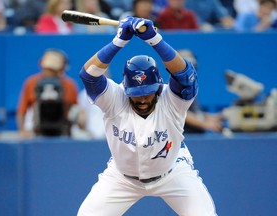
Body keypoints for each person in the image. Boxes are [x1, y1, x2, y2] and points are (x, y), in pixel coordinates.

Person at [77, 16, 217, 215]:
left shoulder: (172, 100)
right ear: (125, 88)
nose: (142, 98)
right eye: (136, 93)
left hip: (172, 173)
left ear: (159, 86)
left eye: (147, 92)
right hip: (122, 179)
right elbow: (88, 75)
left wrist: (155, 40)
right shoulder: (115, 98)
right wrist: (118, 42)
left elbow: (186, 75)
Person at [17, 49, 78, 138]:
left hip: (63, 130)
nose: (49, 73)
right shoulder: (31, 82)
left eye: (52, 70)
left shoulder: (70, 85)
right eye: (47, 69)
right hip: (37, 130)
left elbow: (76, 110)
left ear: (61, 69)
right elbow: (22, 111)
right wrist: (22, 130)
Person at [178, 49, 224, 134]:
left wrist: (214, 117)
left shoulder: (189, 85)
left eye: (194, 67)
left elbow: (195, 113)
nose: (192, 71)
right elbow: (180, 112)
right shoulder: (175, 86)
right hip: (185, 137)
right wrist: (206, 124)